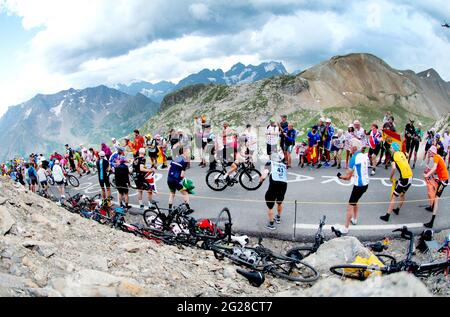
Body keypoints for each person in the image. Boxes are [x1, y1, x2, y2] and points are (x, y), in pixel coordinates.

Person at [332, 139, 370, 236]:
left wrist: (340, 177)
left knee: (350, 205)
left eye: (351, 146)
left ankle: (345, 228)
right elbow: (359, 170)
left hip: (359, 185)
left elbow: (348, 177)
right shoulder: (364, 156)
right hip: (366, 184)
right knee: (355, 201)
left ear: (355, 148)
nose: (349, 148)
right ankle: (355, 219)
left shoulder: (353, 159)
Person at [380, 142, 413, 222]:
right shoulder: (402, 153)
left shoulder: (393, 156)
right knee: (402, 194)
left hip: (404, 179)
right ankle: (397, 209)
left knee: (394, 196)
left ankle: (387, 216)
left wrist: (390, 177)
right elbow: (407, 156)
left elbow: (394, 168)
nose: (390, 149)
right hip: (410, 176)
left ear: (394, 149)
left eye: (391, 148)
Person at [259, 152, 288, 230]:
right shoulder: (283, 165)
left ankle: (271, 223)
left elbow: (264, 175)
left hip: (274, 184)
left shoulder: (270, 163)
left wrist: (261, 180)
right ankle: (278, 218)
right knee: (279, 201)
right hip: (284, 184)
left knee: (270, 203)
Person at [423, 146, 448, 228]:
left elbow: (434, 168)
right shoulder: (438, 157)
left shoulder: (436, 157)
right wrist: (431, 173)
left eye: (429, 151)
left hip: (443, 180)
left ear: (433, 152)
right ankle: (431, 207)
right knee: (434, 194)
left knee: (436, 198)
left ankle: (431, 222)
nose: (428, 152)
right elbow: (437, 170)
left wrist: (427, 174)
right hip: (442, 179)